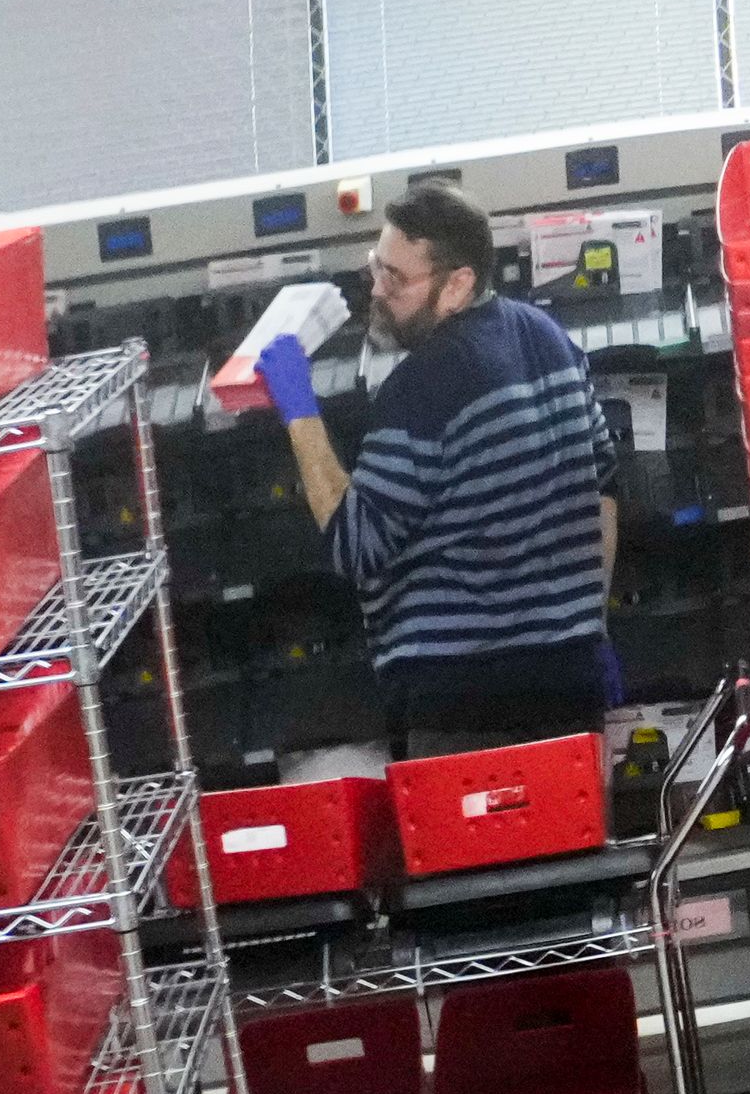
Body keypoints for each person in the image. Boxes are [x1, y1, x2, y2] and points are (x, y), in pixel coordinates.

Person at [254, 183, 619, 754]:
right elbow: (604, 487)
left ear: (458, 285)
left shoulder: (423, 388)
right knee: (571, 840)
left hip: (462, 708)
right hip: (573, 685)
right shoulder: (548, 338)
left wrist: (299, 412)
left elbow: (356, 545)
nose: (376, 290)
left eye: (395, 279)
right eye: (377, 267)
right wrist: (587, 627)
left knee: (476, 844)